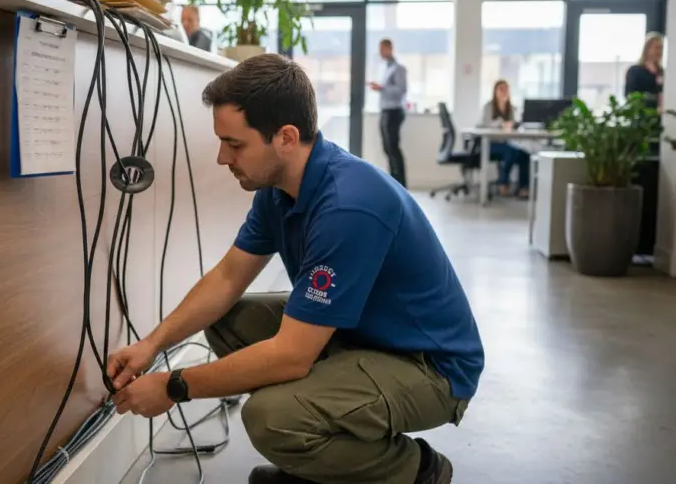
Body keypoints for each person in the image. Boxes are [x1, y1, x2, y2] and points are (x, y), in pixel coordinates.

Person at [107, 54, 484, 484]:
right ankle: (320, 456)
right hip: (361, 334)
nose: (221, 158)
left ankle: (415, 469)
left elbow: (291, 355)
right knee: (230, 322)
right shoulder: (278, 190)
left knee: (271, 418)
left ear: (286, 137)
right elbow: (227, 278)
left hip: (429, 367)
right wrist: (152, 344)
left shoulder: (348, 207)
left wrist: (174, 387)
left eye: (235, 144)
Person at [480, 80, 530, 199]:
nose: (504, 92)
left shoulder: (511, 108)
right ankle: (503, 183)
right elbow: (485, 123)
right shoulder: (488, 106)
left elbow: (515, 124)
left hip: (508, 143)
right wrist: (501, 124)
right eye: (501, 89)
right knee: (509, 152)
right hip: (491, 144)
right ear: (495, 91)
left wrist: (513, 125)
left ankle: (523, 187)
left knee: (524, 155)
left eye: (506, 89)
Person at [368, 38, 408, 188]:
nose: (380, 53)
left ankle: (401, 184)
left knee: (393, 148)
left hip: (394, 112)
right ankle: (394, 181)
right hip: (385, 111)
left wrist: (382, 88)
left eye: (382, 49)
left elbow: (401, 91)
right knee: (387, 149)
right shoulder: (384, 67)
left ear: (389, 48)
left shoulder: (399, 68)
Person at [624, 32, 664, 110]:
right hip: (641, 116)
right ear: (647, 48)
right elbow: (630, 95)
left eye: (661, 48)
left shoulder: (661, 72)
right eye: (656, 47)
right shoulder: (635, 71)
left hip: (660, 116)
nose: (659, 51)